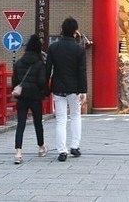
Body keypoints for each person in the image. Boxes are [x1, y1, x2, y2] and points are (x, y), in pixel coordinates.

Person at [46, 17, 87, 162]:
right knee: (75, 116)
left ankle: (62, 151)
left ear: (62, 30)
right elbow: (82, 71)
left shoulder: (53, 47)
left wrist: (46, 87)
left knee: (61, 119)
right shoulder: (79, 49)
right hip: (74, 88)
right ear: (75, 31)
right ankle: (75, 146)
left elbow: (48, 69)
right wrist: (83, 91)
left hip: (58, 87)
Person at [12, 34, 48, 164]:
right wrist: (44, 92)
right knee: (38, 123)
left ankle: (18, 152)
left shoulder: (19, 63)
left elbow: (14, 82)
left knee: (20, 124)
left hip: (22, 97)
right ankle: (41, 147)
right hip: (35, 97)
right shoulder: (39, 63)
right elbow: (42, 81)